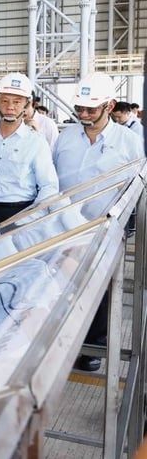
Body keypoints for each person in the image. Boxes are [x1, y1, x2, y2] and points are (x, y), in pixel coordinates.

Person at [53, 72, 144, 372]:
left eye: (91, 109)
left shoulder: (129, 142)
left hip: (106, 228)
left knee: (102, 290)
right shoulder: (64, 138)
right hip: (65, 229)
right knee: (62, 286)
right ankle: (61, 343)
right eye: (79, 109)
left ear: (110, 105)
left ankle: (95, 345)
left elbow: (137, 186)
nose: (84, 114)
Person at [0, 73, 59, 225]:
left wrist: (28, 218)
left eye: (17, 102)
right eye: (5, 101)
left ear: (27, 104)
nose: (10, 107)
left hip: (21, 212)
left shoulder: (36, 142)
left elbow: (49, 186)